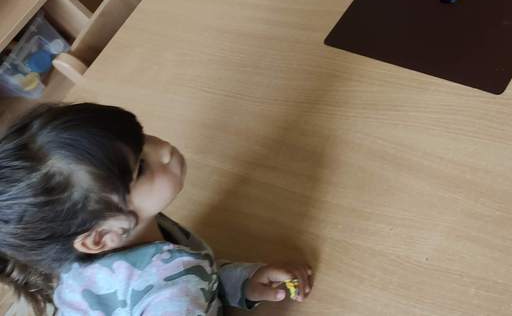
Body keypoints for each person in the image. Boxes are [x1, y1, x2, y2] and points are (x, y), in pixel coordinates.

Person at [0, 103, 312, 313]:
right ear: (100, 237)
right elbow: (177, 285)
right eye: (141, 169)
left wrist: (242, 283)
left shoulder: (120, 228)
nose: (163, 148)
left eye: (141, 137)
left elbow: (194, 277)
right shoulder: (171, 296)